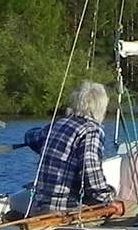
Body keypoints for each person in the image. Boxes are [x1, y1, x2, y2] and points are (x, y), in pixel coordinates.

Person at [25, 81, 116, 215]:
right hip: (65, 210)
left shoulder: (59, 124)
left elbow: (31, 137)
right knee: (132, 210)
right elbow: (90, 171)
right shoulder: (91, 131)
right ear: (101, 108)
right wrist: (108, 198)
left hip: (39, 207)